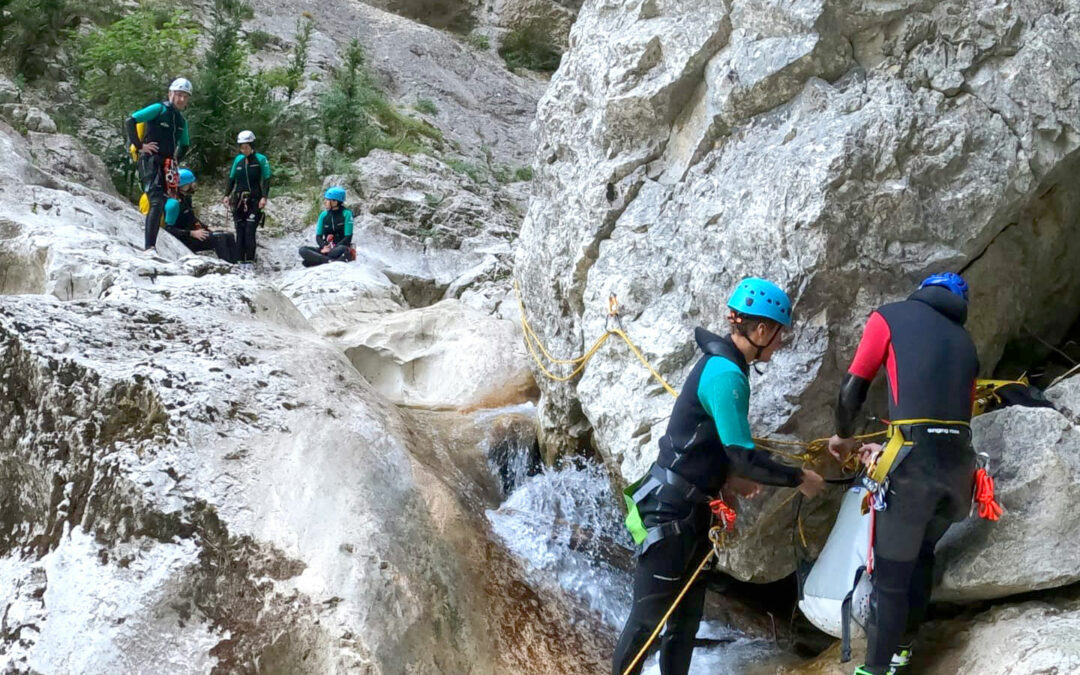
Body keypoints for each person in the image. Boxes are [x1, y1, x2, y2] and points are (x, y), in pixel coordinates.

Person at [613, 278, 826, 675]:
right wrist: (800, 478)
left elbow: (708, 441)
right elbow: (744, 456)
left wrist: (726, 480)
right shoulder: (727, 375)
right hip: (673, 512)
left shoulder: (727, 365)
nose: (780, 342)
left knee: (684, 622)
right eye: (779, 333)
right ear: (760, 330)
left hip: (690, 509)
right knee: (648, 623)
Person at [827, 273, 978, 675]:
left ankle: (876, 669)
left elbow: (852, 388)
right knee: (922, 554)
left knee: (891, 577)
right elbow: (953, 416)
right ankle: (903, 650)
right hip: (959, 471)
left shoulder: (889, 318)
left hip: (912, 470)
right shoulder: (966, 342)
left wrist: (844, 436)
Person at [126, 77, 192, 256]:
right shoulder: (159, 109)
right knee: (155, 200)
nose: (181, 99)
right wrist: (140, 146)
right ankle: (149, 248)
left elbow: (185, 144)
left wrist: (175, 160)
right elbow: (131, 120)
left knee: (161, 201)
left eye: (185, 96)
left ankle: (151, 247)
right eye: (179, 94)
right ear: (170, 94)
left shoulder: (181, 121)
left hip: (166, 164)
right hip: (150, 160)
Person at [163, 169, 236, 263]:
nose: (194, 184)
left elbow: (192, 218)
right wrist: (192, 233)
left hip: (192, 233)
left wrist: (207, 228)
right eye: (191, 182)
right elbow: (168, 229)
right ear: (184, 185)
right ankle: (227, 265)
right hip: (184, 238)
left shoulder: (186, 198)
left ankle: (235, 264)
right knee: (219, 238)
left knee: (228, 235)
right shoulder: (173, 204)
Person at [222, 130, 271, 265]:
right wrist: (226, 195)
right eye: (242, 148)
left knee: (250, 230)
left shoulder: (261, 159)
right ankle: (239, 259)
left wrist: (264, 197)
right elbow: (232, 179)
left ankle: (249, 260)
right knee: (240, 229)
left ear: (252, 146)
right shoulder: (238, 160)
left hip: (255, 200)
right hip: (238, 200)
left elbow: (266, 179)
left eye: (246, 147)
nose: (244, 150)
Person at [298, 187, 355, 267]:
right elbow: (318, 236)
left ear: (335, 201)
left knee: (342, 249)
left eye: (328, 200)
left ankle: (320, 260)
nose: (325, 202)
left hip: (340, 248)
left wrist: (332, 248)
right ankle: (330, 261)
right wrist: (324, 247)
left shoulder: (347, 214)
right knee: (302, 250)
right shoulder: (323, 215)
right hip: (326, 249)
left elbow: (348, 237)